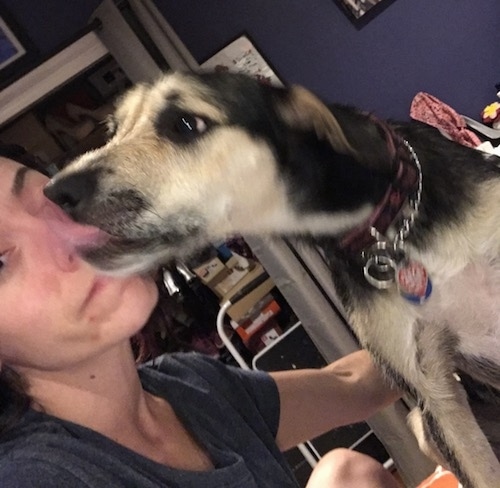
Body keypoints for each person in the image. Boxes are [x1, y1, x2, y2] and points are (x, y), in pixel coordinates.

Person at [0, 145, 452, 488]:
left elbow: (354, 385)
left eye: (49, 199)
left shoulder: (190, 387)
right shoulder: (37, 476)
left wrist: (460, 308)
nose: (71, 238)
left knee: (347, 472)